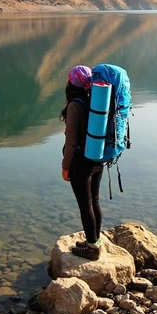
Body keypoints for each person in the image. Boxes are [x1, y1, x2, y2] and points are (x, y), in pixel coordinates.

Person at [60, 65, 104, 261]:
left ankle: (92, 248)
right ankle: (94, 241)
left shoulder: (74, 106)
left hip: (81, 162)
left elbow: (70, 140)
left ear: (72, 84)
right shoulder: (93, 101)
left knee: (85, 204)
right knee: (94, 201)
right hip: (98, 158)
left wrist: (65, 166)